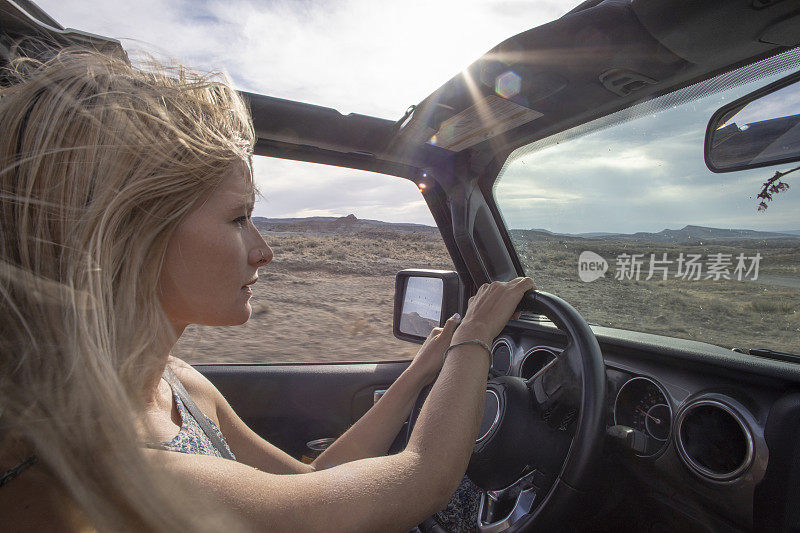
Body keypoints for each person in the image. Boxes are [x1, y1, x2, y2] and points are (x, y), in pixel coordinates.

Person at [0, 47, 536, 531]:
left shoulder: (179, 384)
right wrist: (476, 338)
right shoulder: (117, 467)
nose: (265, 250)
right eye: (238, 219)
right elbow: (418, 481)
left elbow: (313, 479)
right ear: (129, 236)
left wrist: (422, 371)